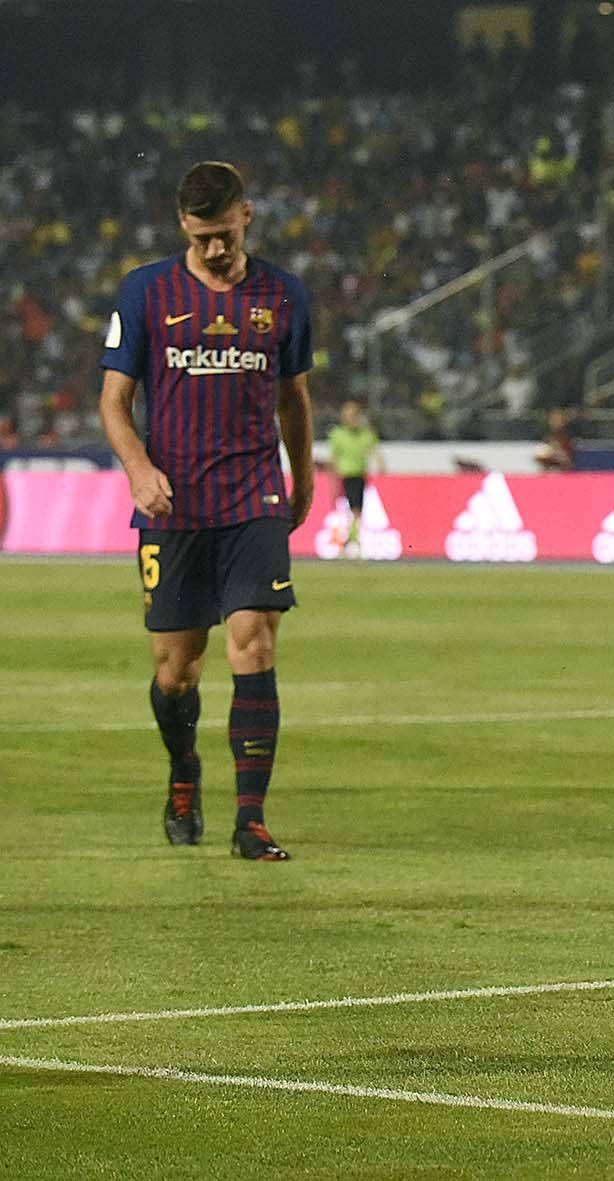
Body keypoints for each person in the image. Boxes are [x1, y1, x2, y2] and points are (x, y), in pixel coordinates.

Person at [97, 160, 316, 861]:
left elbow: (294, 399)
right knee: (176, 671)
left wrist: (302, 477)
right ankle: (184, 768)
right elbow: (113, 400)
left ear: (246, 215)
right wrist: (139, 469)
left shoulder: (284, 295)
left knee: (254, 640)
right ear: (182, 228)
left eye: (223, 234)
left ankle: (250, 819)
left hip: (252, 496)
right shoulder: (145, 292)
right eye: (201, 239)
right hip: (175, 500)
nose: (215, 250)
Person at [325, 400, 383, 557]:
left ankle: (351, 542)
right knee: (350, 510)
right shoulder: (338, 435)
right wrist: (332, 476)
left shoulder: (366, 434)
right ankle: (350, 541)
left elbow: (375, 452)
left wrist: (382, 468)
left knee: (357, 510)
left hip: (359, 475)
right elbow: (333, 457)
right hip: (344, 475)